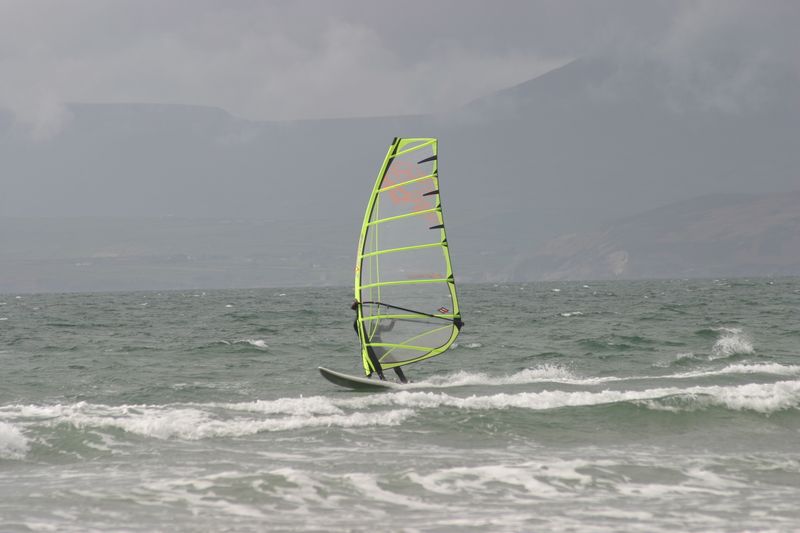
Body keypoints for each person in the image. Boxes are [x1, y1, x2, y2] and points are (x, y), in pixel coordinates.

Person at [351, 300, 408, 383]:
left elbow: (388, 328)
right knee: (371, 367)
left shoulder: (376, 326)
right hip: (369, 350)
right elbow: (357, 321)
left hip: (380, 349)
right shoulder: (360, 326)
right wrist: (357, 310)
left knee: (394, 362)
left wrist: (393, 321)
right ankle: (379, 379)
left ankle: (404, 381)